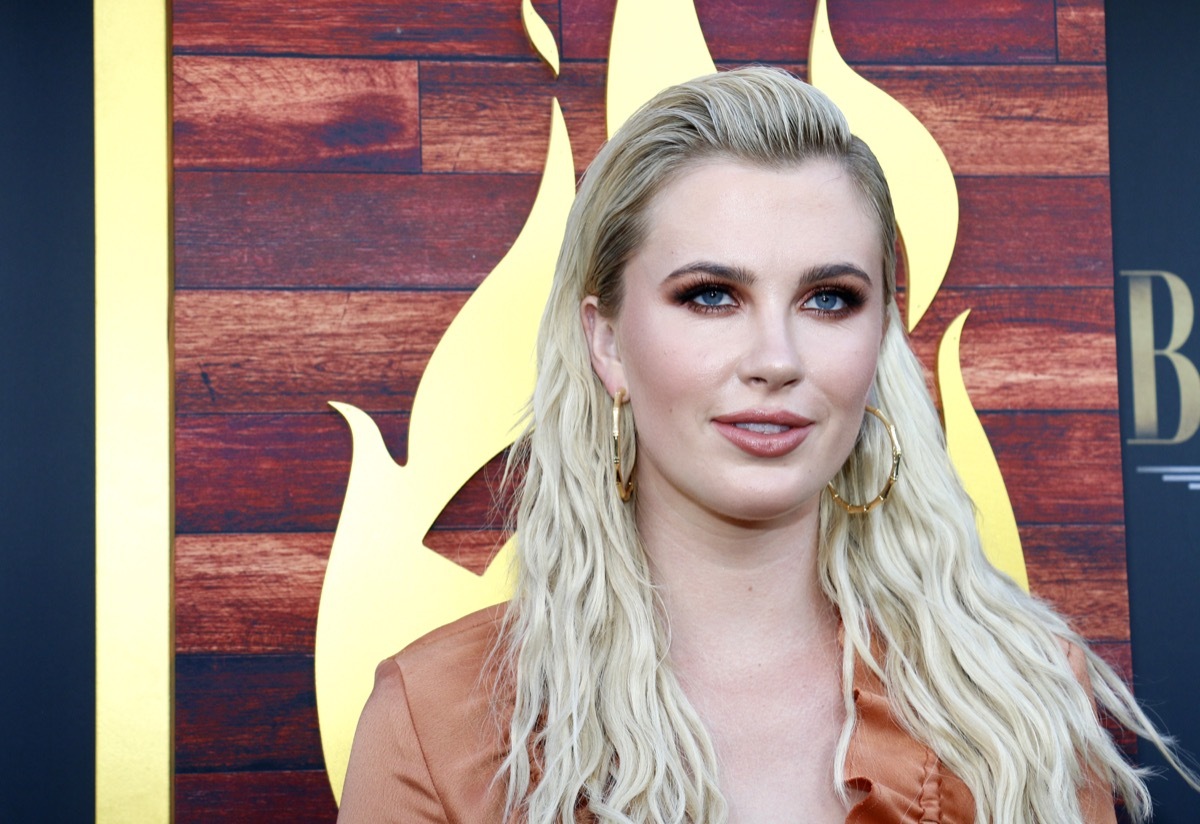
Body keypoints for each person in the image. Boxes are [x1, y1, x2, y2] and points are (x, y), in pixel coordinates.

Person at [337, 66, 1190, 823]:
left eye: (829, 299)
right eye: (711, 296)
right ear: (607, 342)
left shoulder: (1020, 696)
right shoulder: (437, 724)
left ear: (881, 339)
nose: (776, 359)